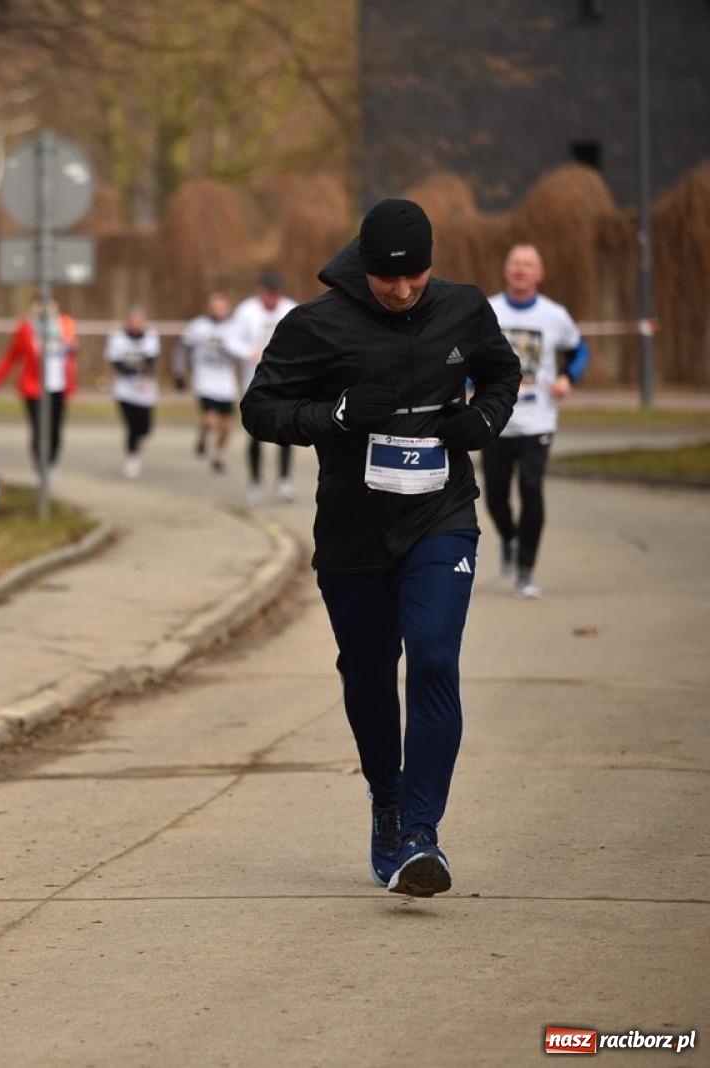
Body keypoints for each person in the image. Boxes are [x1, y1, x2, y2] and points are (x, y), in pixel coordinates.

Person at [241, 198, 519, 898]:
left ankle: (422, 834)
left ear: (431, 265)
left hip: (440, 515)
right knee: (367, 672)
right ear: (363, 268)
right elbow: (260, 409)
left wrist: (484, 419)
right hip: (354, 530)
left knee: (433, 655)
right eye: (387, 279)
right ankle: (387, 801)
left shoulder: (464, 309)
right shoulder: (315, 325)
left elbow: (502, 374)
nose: (401, 291)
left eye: (414, 277)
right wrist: (334, 416)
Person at [486, 244, 589, 599]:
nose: (521, 269)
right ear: (505, 270)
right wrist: (469, 379)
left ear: (539, 274)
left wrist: (568, 378)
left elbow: (579, 349)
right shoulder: (488, 310)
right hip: (497, 420)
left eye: (528, 264)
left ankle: (525, 570)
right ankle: (509, 537)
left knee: (531, 489)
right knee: (495, 497)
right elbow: (469, 353)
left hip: (538, 420)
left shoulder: (554, 315)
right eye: (515, 263)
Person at [227, 272, 300, 503]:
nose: (273, 300)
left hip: (286, 381)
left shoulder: (290, 308)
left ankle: (284, 481)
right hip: (255, 382)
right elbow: (231, 340)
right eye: (269, 295)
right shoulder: (246, 311)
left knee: (286, 430)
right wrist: (249, 352)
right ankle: (255, 482)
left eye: (276, 295)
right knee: (255, 433)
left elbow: (304, 341)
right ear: (261, 292)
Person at [0, 296, 78, 475]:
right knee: (39, 428)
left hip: (58, 386)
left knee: (55, 428)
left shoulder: (66, 324)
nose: (45, 309)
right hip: (34, 388)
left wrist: (71, 347)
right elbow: (11, 357)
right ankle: (40, 466)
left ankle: (52, 463)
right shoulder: (26, 329)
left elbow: (72, 352)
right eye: (40, 305)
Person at [176, 291, 242, 475]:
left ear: (227, 308)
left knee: (227, 426)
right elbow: (182, 348)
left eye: (221, 307)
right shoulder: (198, 326)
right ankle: (203, 437)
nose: (217, 310)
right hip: (205, 381)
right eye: (214, 307)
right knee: (210, 419)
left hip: (226, 384)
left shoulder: (234, 328)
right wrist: (179, 372)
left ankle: (219, 456)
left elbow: (241, 351)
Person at [105, 305, 161, 479]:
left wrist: (140, 371)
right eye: (132, 321)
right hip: (124, 389)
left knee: (144, 424)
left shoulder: (150, 336)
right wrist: (132, 369)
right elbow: (116, 362)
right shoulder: (117, 338)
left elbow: (150, 361)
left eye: (138, 321)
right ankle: (132, 459)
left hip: (144, 389)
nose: (135, 324)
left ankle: (144, 437)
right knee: (131, 426)